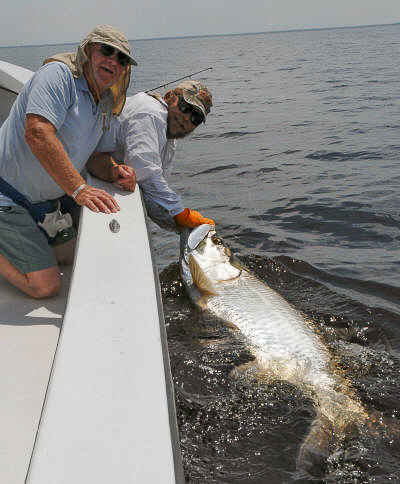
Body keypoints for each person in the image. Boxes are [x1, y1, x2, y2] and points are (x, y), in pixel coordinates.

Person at [0, 25, 136, 298]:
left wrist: (114, 171)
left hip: (44, 204)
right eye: (106, 51)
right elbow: (37, 132)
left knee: (75, 256)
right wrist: (79, 189)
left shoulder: (106, 102)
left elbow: (96, 156)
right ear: (87, 51)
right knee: (45, 286)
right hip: (8, 198)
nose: (113, 61)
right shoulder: (58, 75)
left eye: (121, 59)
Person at [87, 80, 215, 231]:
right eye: (185, 107)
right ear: (169, 96)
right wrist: (180, 213)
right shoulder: (151, 112)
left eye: (196, 118)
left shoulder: (169, 136)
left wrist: (178, 227)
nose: (187, 118)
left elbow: (153, 192)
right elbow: (145, 173)